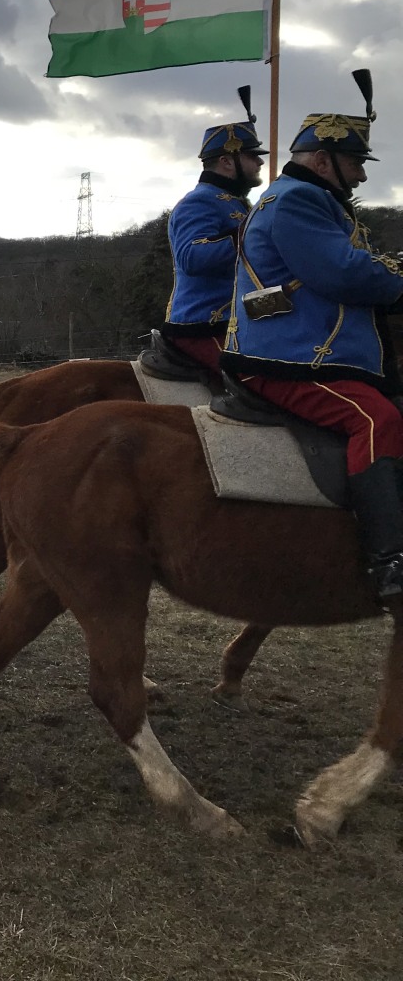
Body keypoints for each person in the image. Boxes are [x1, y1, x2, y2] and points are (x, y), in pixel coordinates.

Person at [221, 70, 403, 608]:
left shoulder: (305, 197)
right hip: (290, 355)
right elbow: (341, 273)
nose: (361, 176)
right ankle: (389, 559)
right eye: (355, 163)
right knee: (376, 419)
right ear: (323, 160)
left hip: (308, 347)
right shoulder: (298, 200)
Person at [162, 87, 267, 372]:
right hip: (204, 326)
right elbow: (192, 258)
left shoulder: (238, 202)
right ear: (226, 161)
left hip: (241, 321)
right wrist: (252, 234)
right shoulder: (198, 201)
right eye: (252, 155)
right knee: (267, 378)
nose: (260, 161)